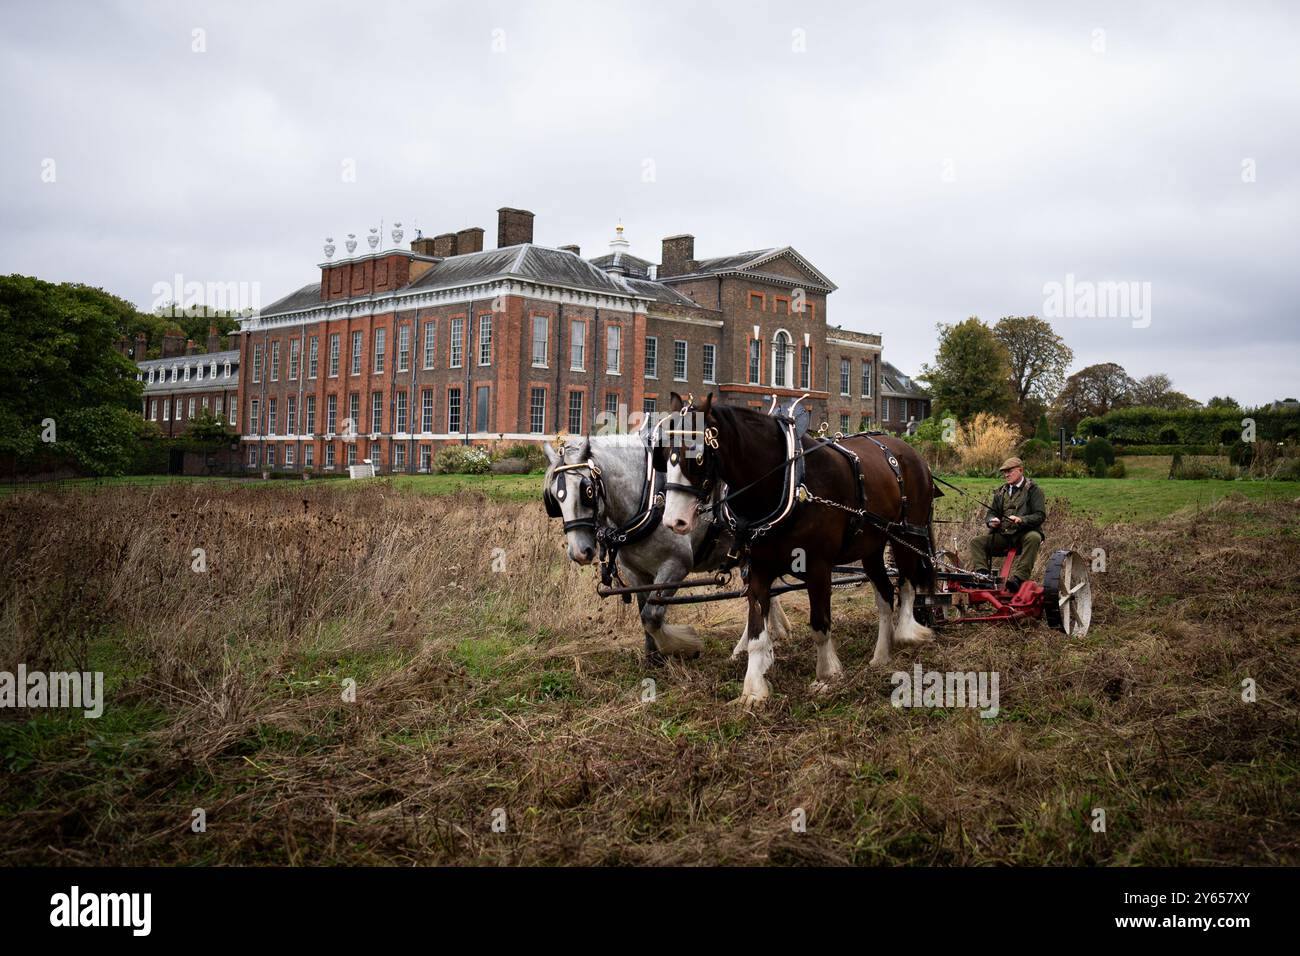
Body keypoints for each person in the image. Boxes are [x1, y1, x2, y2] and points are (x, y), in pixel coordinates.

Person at [968, 456, 1046, 592]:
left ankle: (1018, 579)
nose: (1006, 475)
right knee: (976, 542)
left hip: (1024, 534)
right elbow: (991, 514)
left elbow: (1040, 515)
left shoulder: (1034, 490)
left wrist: (1022, 519)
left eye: (1009, 471)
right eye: (1004, 472)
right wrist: (992, 521)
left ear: (1020, 470)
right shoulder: (1000, 492)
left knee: (1034, 537)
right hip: (1004, 536)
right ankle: (983, 576)